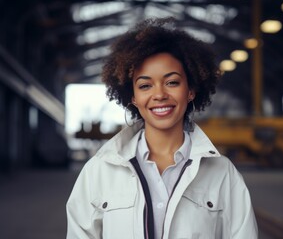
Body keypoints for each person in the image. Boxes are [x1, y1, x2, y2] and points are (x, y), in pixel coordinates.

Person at [66, 17, 258, 239]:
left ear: (191, 90)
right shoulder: (99, 171)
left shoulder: (223, 174)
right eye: (145, 85)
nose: (159, 95)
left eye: (172, 82)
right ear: (133, 97)